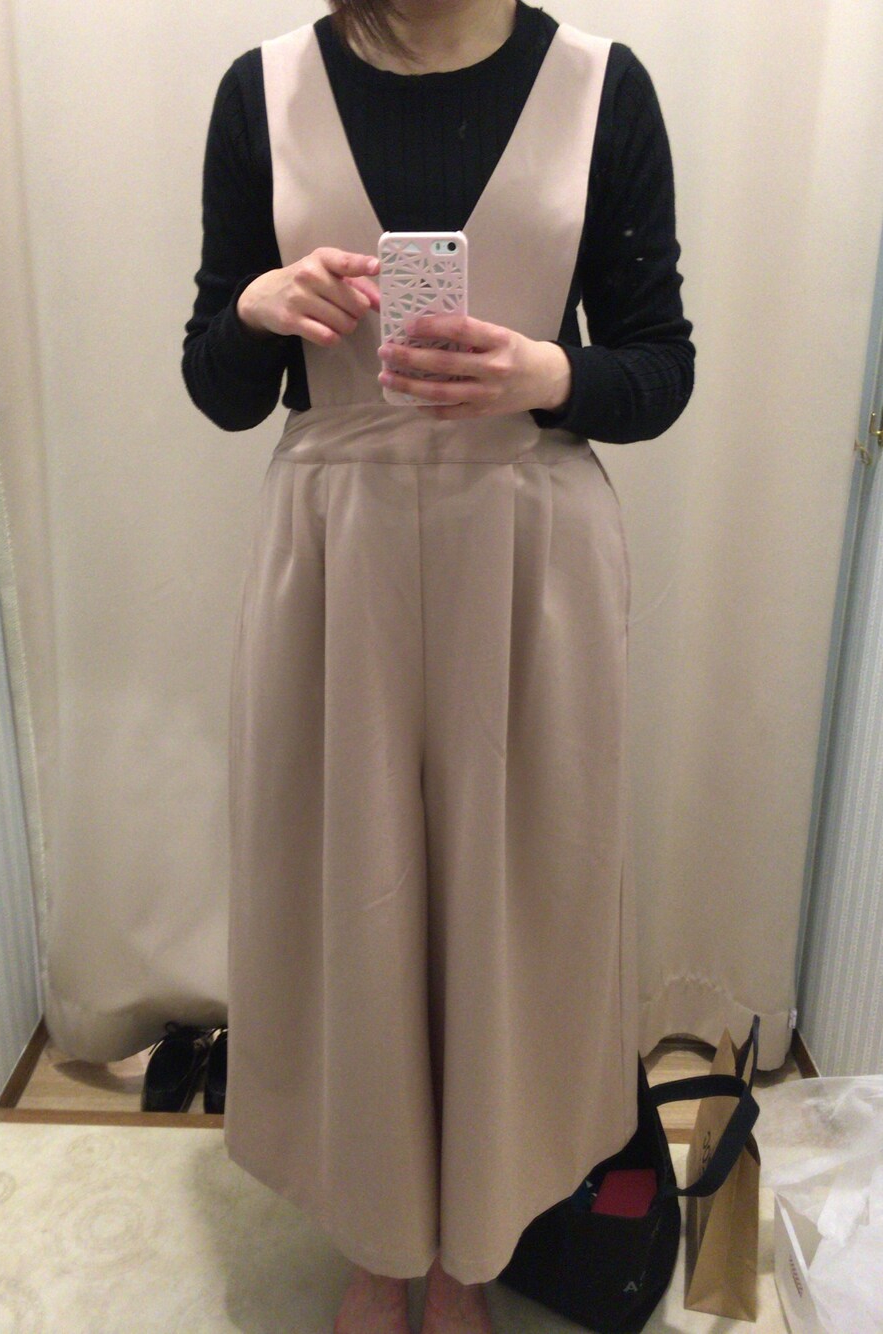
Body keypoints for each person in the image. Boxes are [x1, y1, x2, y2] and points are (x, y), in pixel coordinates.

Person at [182, 1, 693, 1330]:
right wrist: (257, 309)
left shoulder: (600, 88)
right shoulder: (264, 90)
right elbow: (219, 384)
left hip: (528, 564)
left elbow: (660, 367)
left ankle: (471, 1245)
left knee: (512, 905)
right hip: (333, 560)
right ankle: (376, 1239)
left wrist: (547, 373)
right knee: (346, 898)